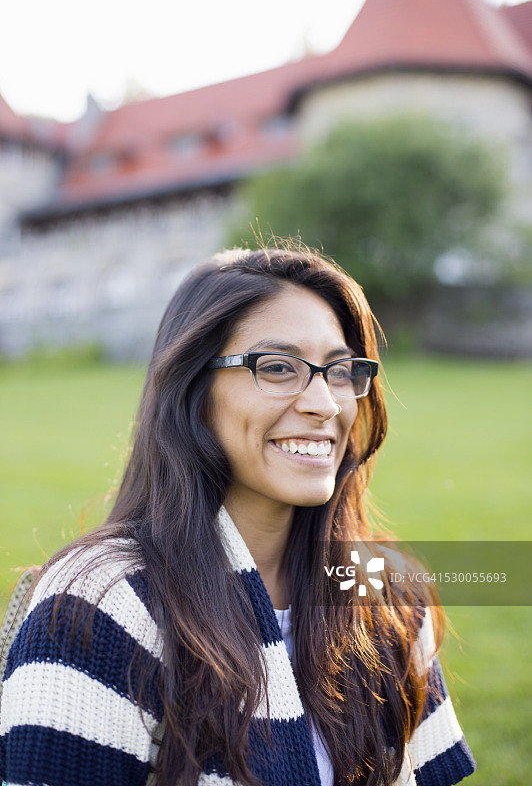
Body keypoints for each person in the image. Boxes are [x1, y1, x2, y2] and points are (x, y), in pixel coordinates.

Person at [0, 243, 476, 786]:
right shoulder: (106, 602)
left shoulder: (388, 594)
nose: (324, 404)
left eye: (340, 371)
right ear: (193, 391)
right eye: (277, 368)